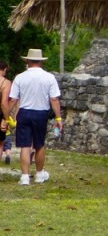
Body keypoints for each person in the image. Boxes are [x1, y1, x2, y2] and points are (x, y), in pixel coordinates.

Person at [4, 49, 62, 185]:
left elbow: (12, 100)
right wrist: (58, 118)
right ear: (41, 62)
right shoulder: (49, 77)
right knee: (39, 144)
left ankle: (24, 176)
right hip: (41, 113)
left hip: (24, 112)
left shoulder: (20, 77)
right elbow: (54, 99)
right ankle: (39, 174)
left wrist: (6, 117)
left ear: (28, 61)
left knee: (25, 145)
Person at [0, 61, 12, 165]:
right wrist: (6, 119)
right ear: (4, 69)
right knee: (0, 144)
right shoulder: (5, 83)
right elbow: (4, 103)